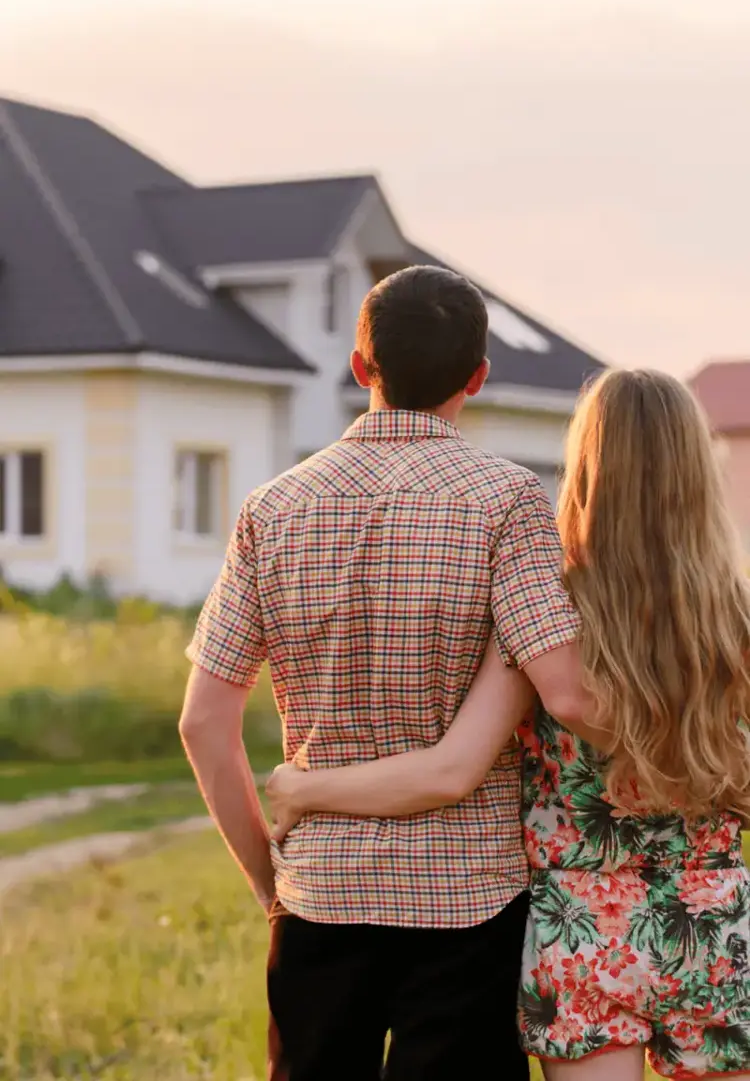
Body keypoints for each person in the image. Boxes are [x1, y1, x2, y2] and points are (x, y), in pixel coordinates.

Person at [266, 368, 750, 1081]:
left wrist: (305, 788)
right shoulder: (733, 616)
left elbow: (449, 768)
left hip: (583, 927)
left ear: (586, 467)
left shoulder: (542, 613)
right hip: (710, 918)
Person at [179, 265, 600, 1081]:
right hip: (469, 899)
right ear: (478, 377)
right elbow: (568, 690)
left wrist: (274, 881)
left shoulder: (273, 507)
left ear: (361, 367)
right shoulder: (508, 501)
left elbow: (203, 722)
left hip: (319, 893)